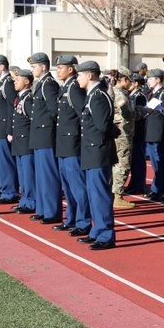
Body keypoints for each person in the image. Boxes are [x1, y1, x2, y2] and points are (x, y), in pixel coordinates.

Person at [76, 61, 117, 250]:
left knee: (100, 196)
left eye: (80, 75)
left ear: (90, 75)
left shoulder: (98, 96)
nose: (78, 78)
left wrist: (114, 131)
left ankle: (105, 235)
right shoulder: (92, 95)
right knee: (93, 195)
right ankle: (96, 231)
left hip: (98, 152)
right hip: (92, 152)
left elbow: (102, 125)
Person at [54, 55, 91, 236]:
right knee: (68, 187)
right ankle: (71, 218)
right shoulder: (65, 87)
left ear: (71, 69)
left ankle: (83, 222)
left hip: (73, 143)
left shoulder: (75, 89)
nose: (58, 70)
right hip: (63, 143)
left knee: (77, 186)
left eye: (61, 67)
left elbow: (82, 115)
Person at [28, 52, 63, 224]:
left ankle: (52, 212)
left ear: (43, 67)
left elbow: (54, 111)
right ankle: (42, 209)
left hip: (46, 135)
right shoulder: (40, 83)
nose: (32, 70)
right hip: (39, 136)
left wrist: (48, 129)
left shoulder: (49, 85)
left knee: (48, 176)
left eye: (34, 66)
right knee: (41, 176)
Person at [0, 55, 19, 204]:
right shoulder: (0, 84)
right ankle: (4, 190)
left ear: (2, 67)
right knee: (1, 163)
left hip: (3, 130)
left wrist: (10, 130)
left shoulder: (8, 84)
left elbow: (11, 108)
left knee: (6, 162)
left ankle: (10, 192)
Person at [9, 68, 37, 216]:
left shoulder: (28, 99)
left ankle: (31, 201)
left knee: (28, 175)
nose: (15, 82)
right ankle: (24, 199)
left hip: (26, 143)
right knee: (22, 174)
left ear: (27, 82)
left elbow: (33, 120)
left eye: (17, 80)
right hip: (19, 143)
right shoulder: (20, 98)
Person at [143, 68, 164, 202]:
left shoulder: (162, 94)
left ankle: (160, 190)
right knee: (155, 162)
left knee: (159, 161)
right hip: (151, 132)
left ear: (158, 80)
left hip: (158, 132)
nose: (148, 81)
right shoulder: (152, 93)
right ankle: (156, 188)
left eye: (151, 79)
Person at [111, 67, 136, 209]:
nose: (130, 84)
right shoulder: (120, 95)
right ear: (124, 79)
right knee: (123, 164)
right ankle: (118, 196)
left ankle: (114, 194)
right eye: (129, 81)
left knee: (117, 164)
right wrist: (143, 111)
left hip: (120, 133)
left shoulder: (117, 92)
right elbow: (127, 114)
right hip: (123, 134)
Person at [124, 71, 148, 196]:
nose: (130, 84)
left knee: (138, 160)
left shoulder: (139, 96)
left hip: (138, 130)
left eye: (132, 82)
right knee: (133, 161)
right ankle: (133, 183)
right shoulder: (131, 95)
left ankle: (139, 185)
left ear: (137, 83)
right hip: (132, 131)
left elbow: (141, 113)